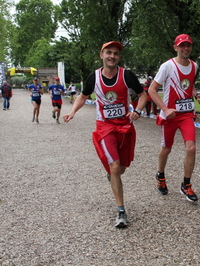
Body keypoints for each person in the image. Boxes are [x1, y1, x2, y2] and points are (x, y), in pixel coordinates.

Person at [63, 41, 147, 228]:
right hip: (105, 128)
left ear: (119, 57)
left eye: (116, 53)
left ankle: (113, 176)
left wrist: (138, 111)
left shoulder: (127, 75)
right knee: (115, 167)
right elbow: (83, 96)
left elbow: (143, 96)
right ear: (101, 54)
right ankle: (121, 211)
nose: (112, 56)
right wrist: (72, 112)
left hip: (125, 128)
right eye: (108, 52)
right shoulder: (93, 77)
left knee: (121, 168)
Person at [148, 34, 200, 202]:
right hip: (170, 116)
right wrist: (165, 109)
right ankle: (160, 175)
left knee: (191, 148)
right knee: (166, 149)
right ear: (176, 47)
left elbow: (190, 85)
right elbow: (152, 90)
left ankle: (186, 185)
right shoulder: (168, 66)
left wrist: (197, 95)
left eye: (188, 45)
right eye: (182, 45)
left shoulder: (194, 66)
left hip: (186, 114)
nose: (185, 48)